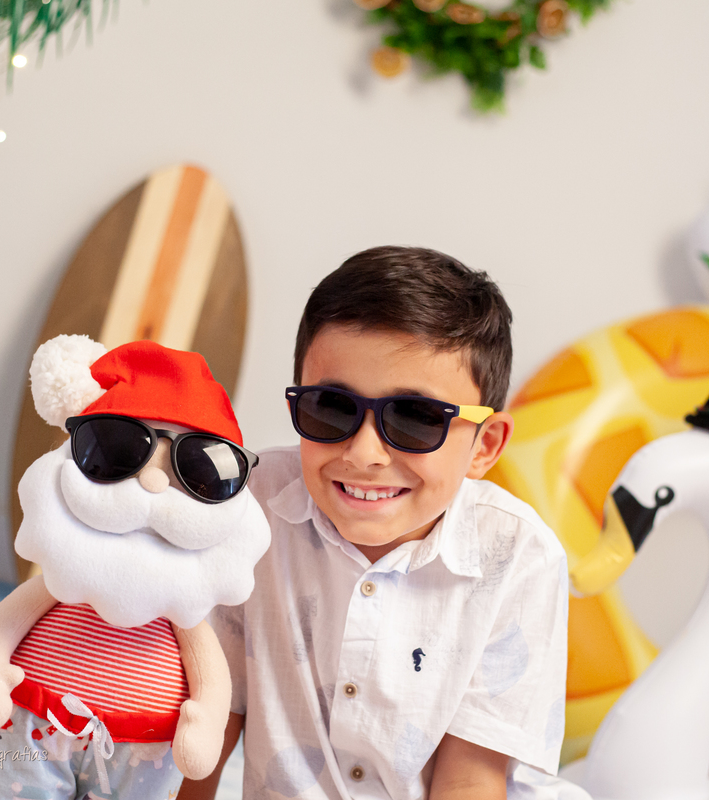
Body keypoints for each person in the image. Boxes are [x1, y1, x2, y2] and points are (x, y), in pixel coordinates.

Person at [180, 247, 581, 800]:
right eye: (330, 407)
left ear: (485, 444)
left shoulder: (517, 555)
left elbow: (471, 779)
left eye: (416, 419)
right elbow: (208, 715)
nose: (364, 453)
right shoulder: (250, 506)